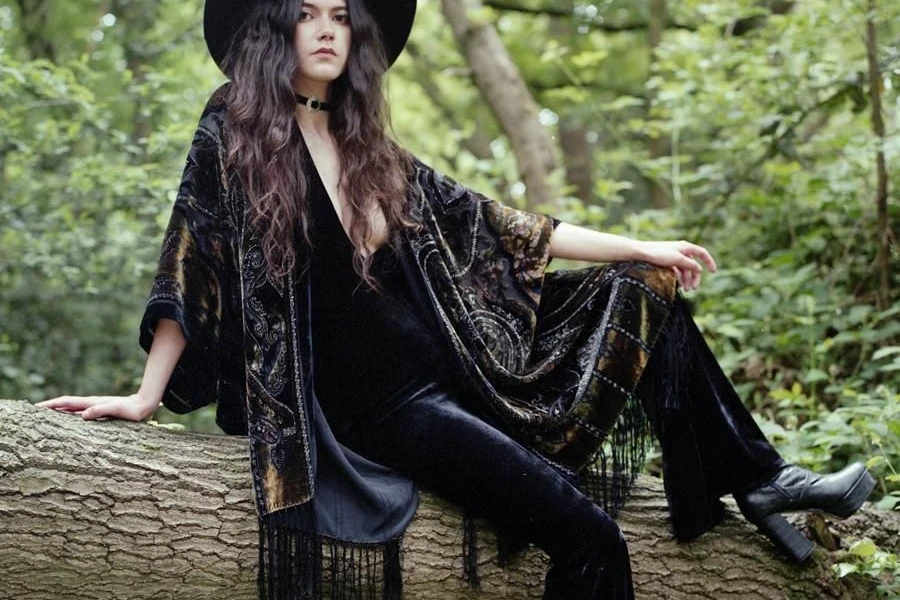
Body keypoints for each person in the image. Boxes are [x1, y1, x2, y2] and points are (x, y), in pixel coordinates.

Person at [36, 0, 876, 598]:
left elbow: (505, 225)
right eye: (309, 13)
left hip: (468, 370)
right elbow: (192, 256)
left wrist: (642, 244)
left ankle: (757, 479)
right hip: (386, 410)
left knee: (647, 291)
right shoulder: (233, 130)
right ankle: (747, 486)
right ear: (272, 29)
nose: (329, 29)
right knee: (588, 538)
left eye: (341, 16)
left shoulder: (373, 150)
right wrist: (147, 396)